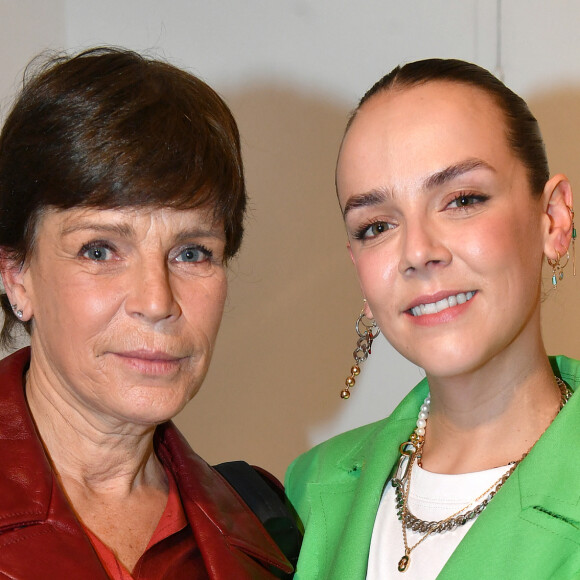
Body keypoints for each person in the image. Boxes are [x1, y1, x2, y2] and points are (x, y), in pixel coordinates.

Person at [0, 47, 294, 579]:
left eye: (191, 253)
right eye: (99, 250)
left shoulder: (269, 525)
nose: (157, 302)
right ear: (16, 274)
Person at [285, 58, 580, 579]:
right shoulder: (308, 491)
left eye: (462, 199)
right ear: (357, 264)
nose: (418, 251)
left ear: (552, 219)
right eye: (376, 226)